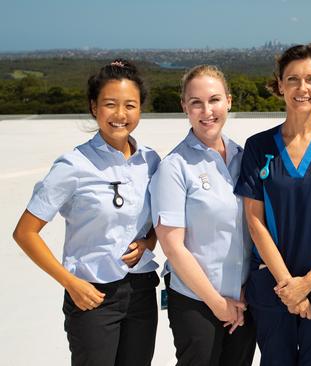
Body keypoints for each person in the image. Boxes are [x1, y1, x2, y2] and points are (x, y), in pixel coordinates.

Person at [12, 59, 160, 366]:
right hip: (92, 297)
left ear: (140, 109)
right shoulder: (74, 165)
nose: (121, 115)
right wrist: (70, 283)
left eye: (130, 105)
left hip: (142, 291)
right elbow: (25, 232)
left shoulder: (151, 161)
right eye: (110, 104)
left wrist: (148, 242)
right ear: (94, 107)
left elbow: (164, 219)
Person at [234, 42, 311, 366]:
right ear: (279, 85)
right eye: (292, 79)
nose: (302, 88)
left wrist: (308, 284)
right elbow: (255, 222)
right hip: (273, 286)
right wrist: (288, 286)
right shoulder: (258, 146)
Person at [149, 65, 255, 366]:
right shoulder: (175, 166)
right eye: (196, 102)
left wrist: (245, 294)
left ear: (229, 101)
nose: (206, 110)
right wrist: (218, 304)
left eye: (214, 100)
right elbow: (172, 247)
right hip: (197, 303)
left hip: (243, 300)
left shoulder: (244, 157)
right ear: (184, 107)